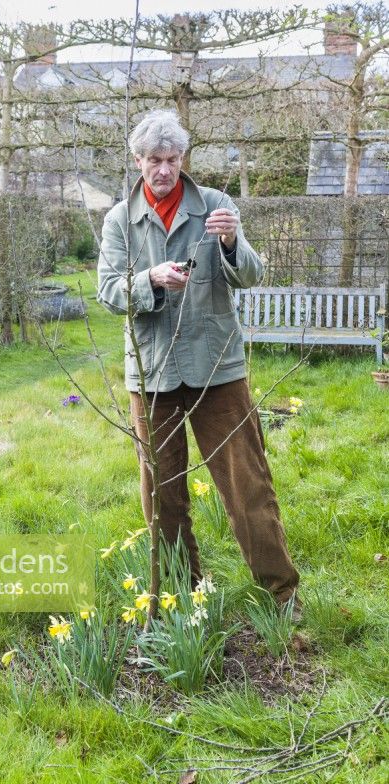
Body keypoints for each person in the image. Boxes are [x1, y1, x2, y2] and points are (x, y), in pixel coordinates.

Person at [97, 109, 300, 615]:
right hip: (153, 370)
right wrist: (150, 280)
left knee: (246, 484)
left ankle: (282, 593)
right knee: (162, 495)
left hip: (216, 368)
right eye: (153, 160)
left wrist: (232, 241)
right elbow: (106, 291)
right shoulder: (120, 220)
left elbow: (250, 275)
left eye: (171, 159)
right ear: (137, 161)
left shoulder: (215, 205)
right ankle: (178, 594)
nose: (163, 170)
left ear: (182, 159)